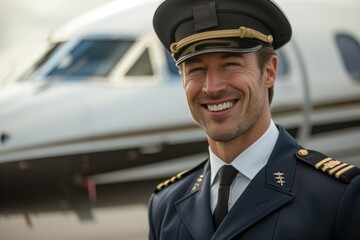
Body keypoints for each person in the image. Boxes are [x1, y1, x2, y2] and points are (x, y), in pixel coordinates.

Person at [148, 0, 360, 239]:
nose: (212, 87)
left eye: (230, 64)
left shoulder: (336, 198)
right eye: (195, 70)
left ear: (269, 72)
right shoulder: (165, 206)